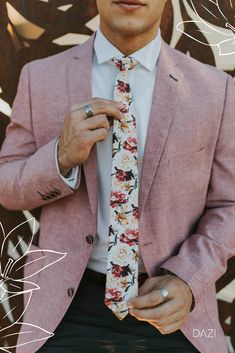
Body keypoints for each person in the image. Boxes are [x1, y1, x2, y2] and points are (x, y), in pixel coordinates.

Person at [0, 0, 234, 352]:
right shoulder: (40, 76)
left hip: (173, 314)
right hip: (65, 311)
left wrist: (188, 280)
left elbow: (229, 205)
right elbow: (7, 187)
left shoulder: (216, 90)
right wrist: (61, 156)